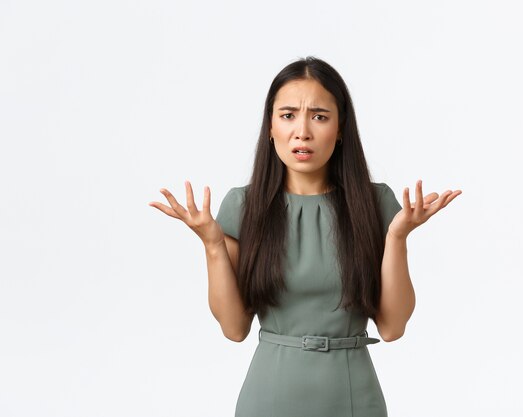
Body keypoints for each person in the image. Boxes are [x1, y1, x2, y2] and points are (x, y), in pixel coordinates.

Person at [149, 56, 462, 417]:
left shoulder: (375, 205)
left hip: (352, 398)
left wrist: (397, 238)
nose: (302, 132)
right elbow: (234, 329)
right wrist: (212, 244)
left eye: (319, 116)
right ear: (270, 127)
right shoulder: (243, 206)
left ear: (341, 128)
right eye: (287, 115)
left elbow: (392, 328)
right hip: (268, 397)